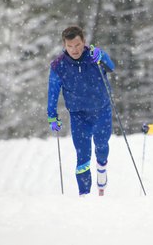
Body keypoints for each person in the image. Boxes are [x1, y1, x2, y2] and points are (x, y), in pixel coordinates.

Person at [47, 25, 115, 197]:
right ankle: (84, 195)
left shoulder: (94, 56)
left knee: (101, 145)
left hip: (102, 110)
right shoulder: (58, 65)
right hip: (78, 115)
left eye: (77, 45)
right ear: (64, 45)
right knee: (82, 155)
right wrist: (51, 115)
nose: (74, 50)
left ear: (84, 42)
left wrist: (102, 58)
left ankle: (102, 167)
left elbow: (111, 67)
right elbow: (53, 92)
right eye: (69, 46)